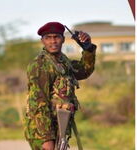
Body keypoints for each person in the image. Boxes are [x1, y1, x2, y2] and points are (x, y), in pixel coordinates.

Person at [24, 22, 96, 150]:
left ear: (63, 39)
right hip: (42, 131)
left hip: (59, 125)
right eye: (48, 38)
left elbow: (84, 71)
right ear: (42, 41)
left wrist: (88, 49)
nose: (53, 41)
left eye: (56, 37)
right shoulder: (40, 65)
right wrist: (47, 139)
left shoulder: (63, 61)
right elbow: (38, 103)